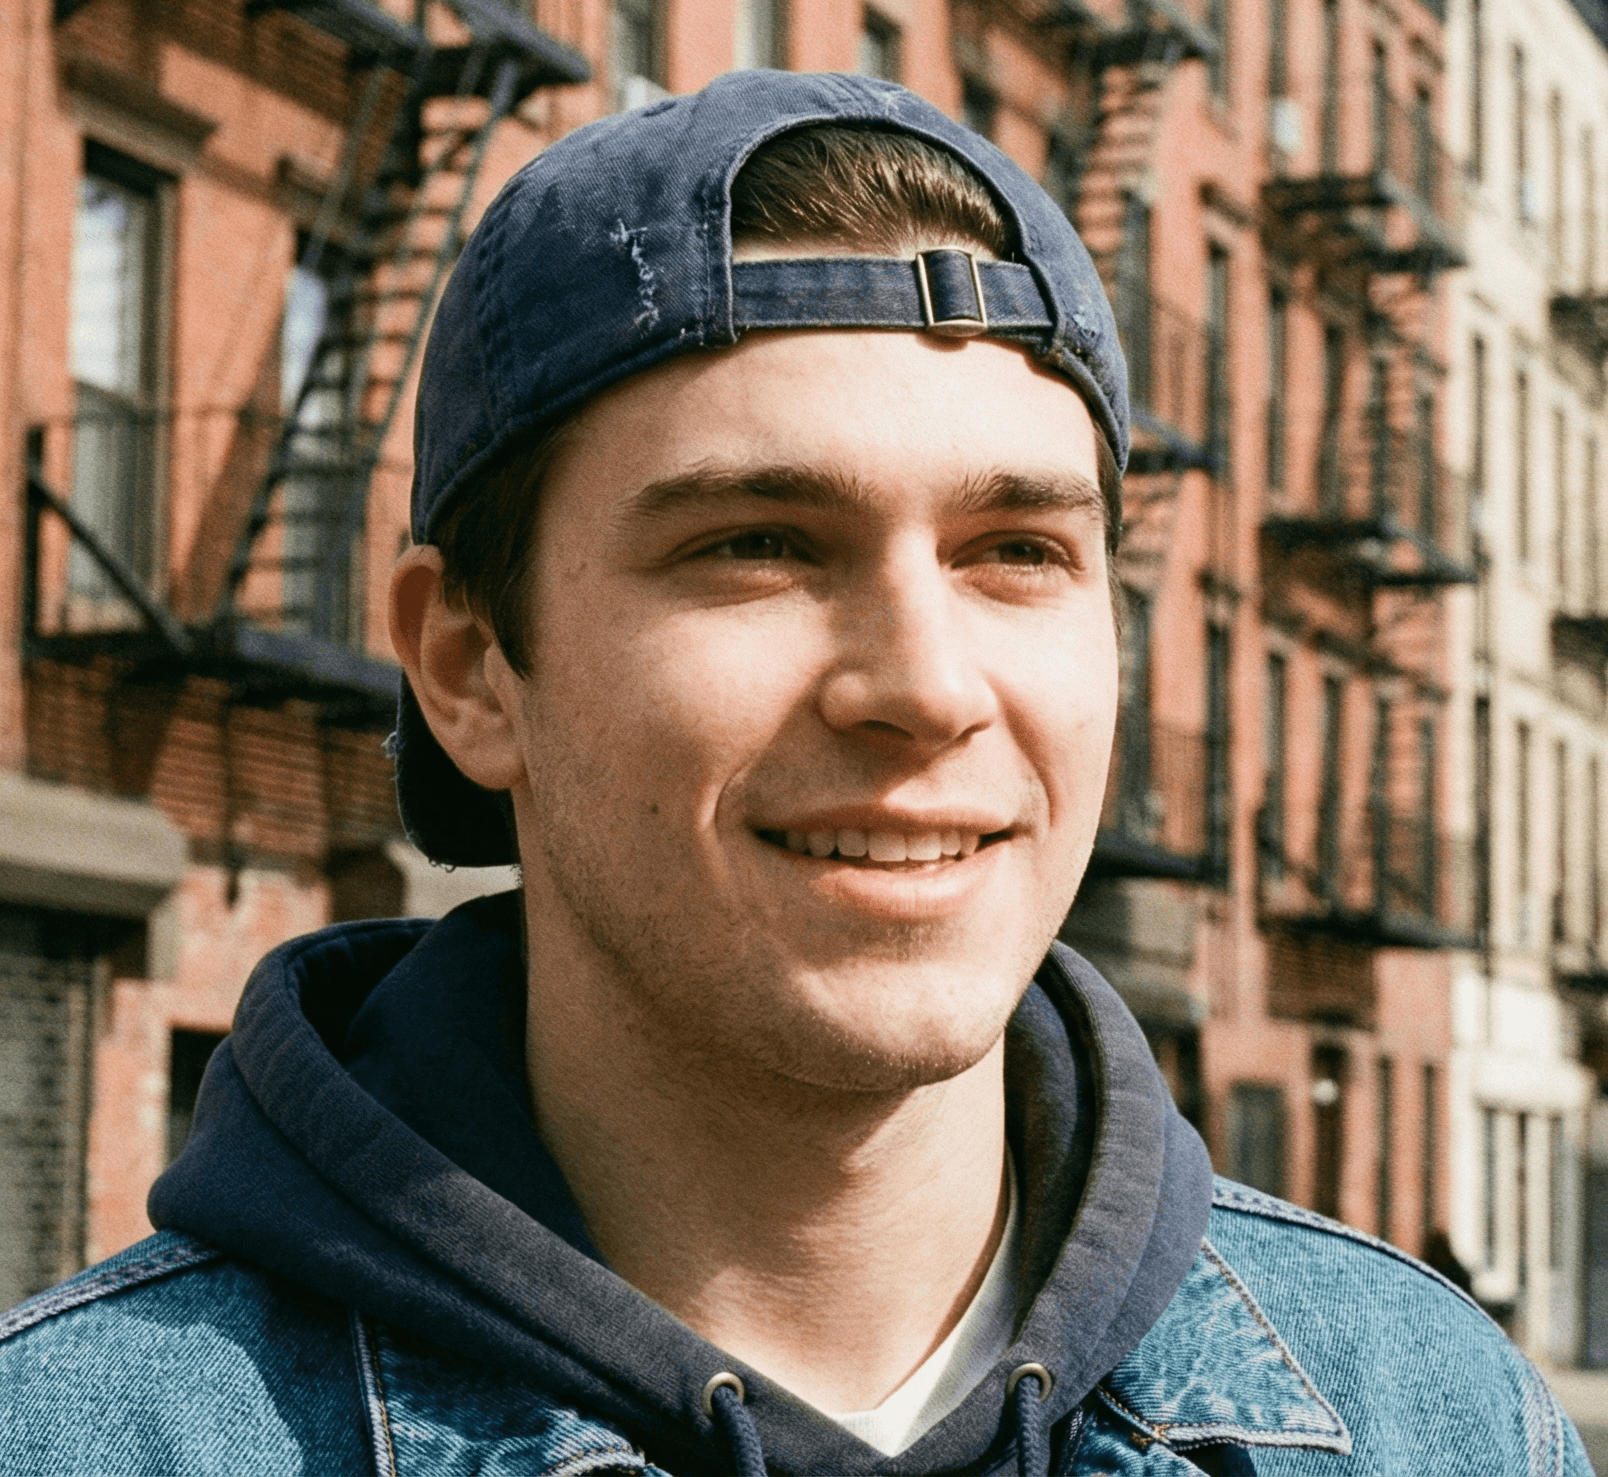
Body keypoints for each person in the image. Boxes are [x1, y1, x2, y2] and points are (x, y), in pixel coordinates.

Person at [0, 70, 1589, 1477]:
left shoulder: (1428, 1415)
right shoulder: (92, 1440)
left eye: (1016, 551)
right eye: (756, 544)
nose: (923, 686)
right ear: (470, 667)